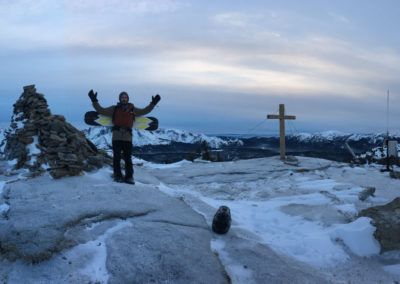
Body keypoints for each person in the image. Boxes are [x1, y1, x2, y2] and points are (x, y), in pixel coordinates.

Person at [88, 90, 160, 184]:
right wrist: (94, 100)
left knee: (128, 158)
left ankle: (129, 177)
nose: (124, 99)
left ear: (128, 99)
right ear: (120, 99)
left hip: (127, 137)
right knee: (116, 157)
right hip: (117, 136)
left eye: (125, 97)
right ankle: (118, 176)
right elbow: (101, 110)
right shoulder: (114, 109)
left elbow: (144, 111)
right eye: (122, 97)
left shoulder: (132, 109)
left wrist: (153, 103)